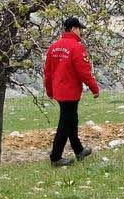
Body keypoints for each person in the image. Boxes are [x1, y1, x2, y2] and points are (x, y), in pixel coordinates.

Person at [43, 17, 100, 167]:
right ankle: (56, 157)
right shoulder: (76, 47)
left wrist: (50, 90)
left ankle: (79, 150)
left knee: (71, 120)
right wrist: (94, 88)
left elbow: (48, 72)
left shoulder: (53, 47)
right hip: (70, 91)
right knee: (65, 124)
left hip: (59, 91)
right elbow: (84, 72)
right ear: (74, 29)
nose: (81, 32)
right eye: (80, 29)